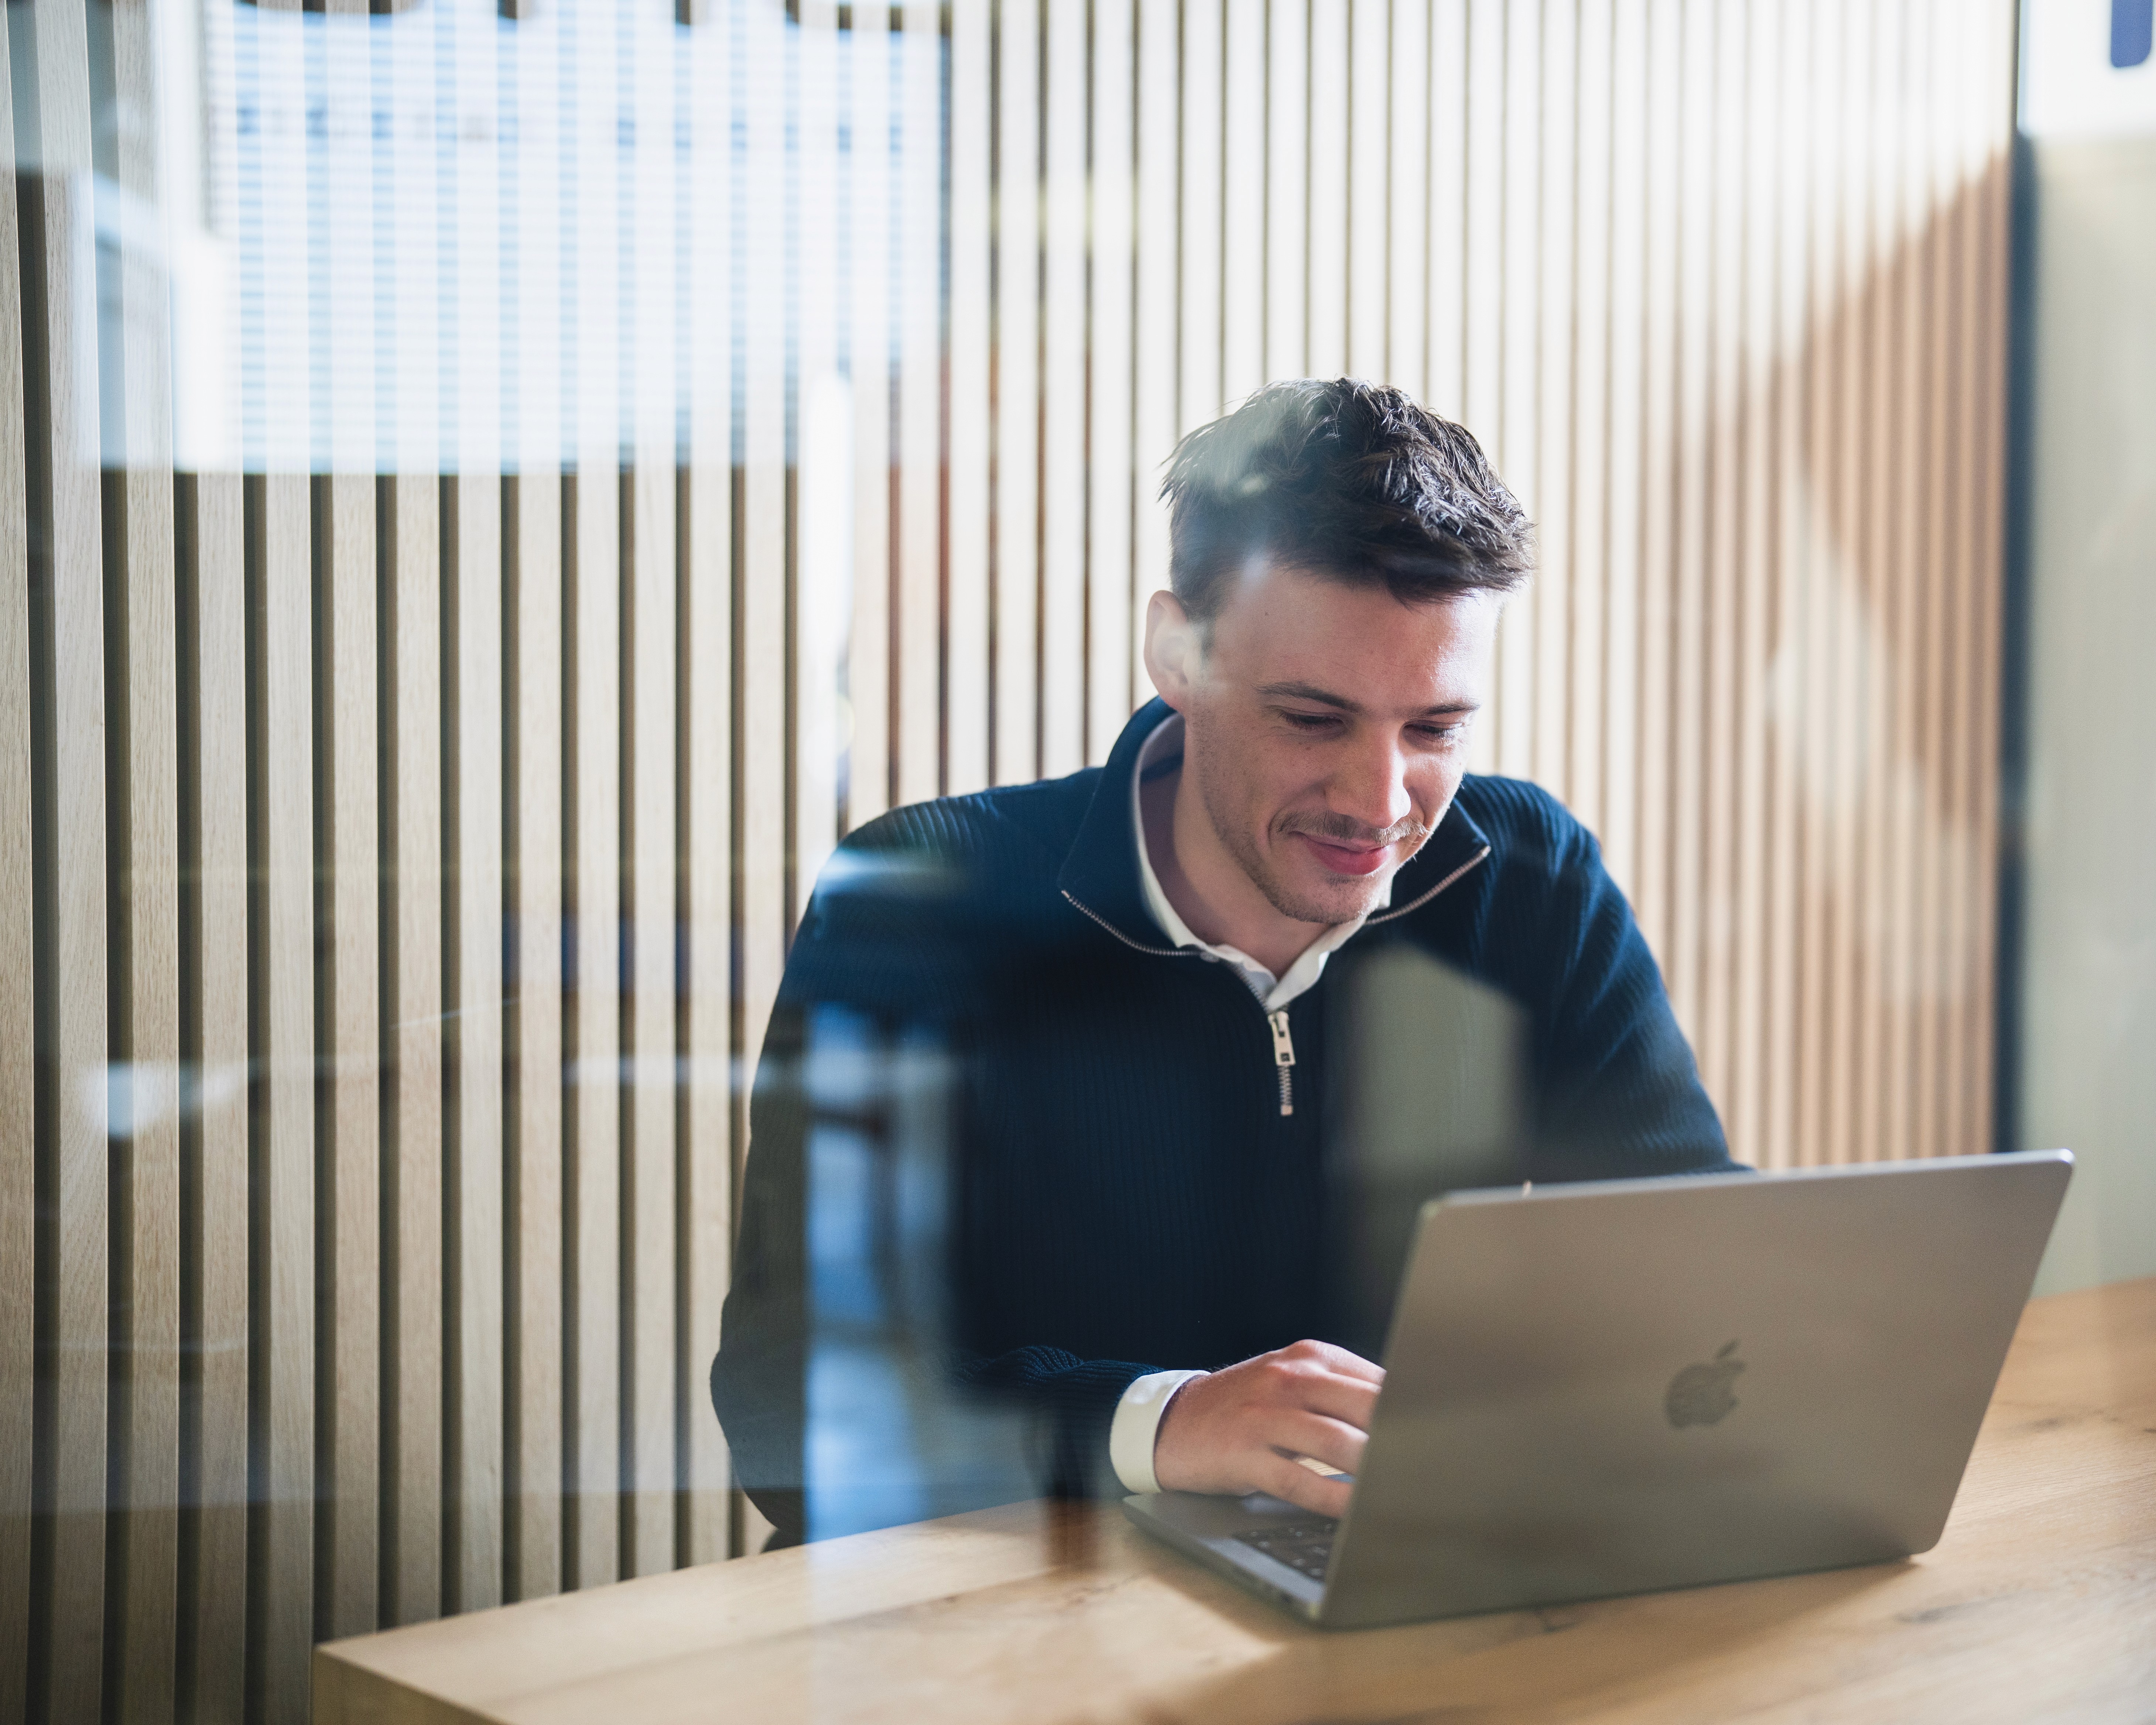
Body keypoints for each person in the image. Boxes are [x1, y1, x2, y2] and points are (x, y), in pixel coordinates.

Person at [713, 379, 1734, 1546]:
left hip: (1384, 1594)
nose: (1379, 801)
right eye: (1312, 718)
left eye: (1435, 730)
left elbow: (1690, 1267)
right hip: (1004, 1633)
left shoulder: (1527, 876)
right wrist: (1168, 1424)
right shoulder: (923, 898)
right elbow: (786, 1404)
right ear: (1177, 654)